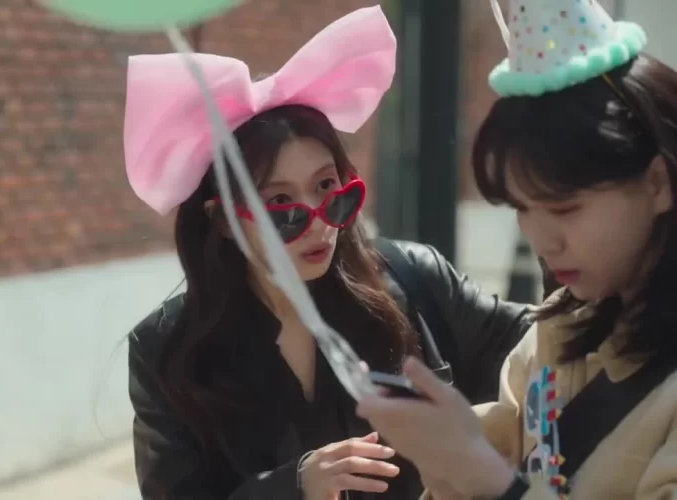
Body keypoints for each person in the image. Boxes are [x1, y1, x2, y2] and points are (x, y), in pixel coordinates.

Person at [123, 6, 532, 500]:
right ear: (223, 220)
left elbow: (545, 342)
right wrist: (294, 486)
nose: (318, 223)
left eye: (328, 190)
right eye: (282, 206)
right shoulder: (166, 351)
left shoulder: (415, 277)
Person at [357, 1, 677, 499]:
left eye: (566, 208)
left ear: (657, 183)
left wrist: (483, 474)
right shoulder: (554, 332)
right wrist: (444, 453)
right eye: (523, 208)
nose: (543, 241)